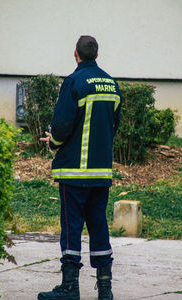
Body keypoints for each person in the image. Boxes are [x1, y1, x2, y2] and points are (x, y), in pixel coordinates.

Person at [38, 35, 122, 300]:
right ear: (96, 54)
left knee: (71, 226)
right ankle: (105, 289)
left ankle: (70, 287)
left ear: (76, 53)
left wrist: (53, 142)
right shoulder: (112, 84)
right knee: (98, 224)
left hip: (74, 172)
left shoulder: (74, 82)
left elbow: (62, 126)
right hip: (101, 173)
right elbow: (113, 127)